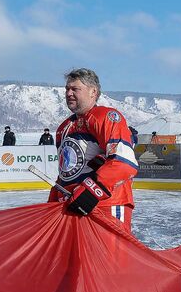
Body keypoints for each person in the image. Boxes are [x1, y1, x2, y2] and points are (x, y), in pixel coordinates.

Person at [51, 68, 138, 225]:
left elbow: (124, 164)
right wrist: (53, 200)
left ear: (93, 92)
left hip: (106, 206)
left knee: (109, 251)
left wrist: (90, 191)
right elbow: (65, 172)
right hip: (73, 207)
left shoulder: (106, 117)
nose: (68, 93)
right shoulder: (63, 128)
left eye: (75, 89)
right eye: (67, 89)